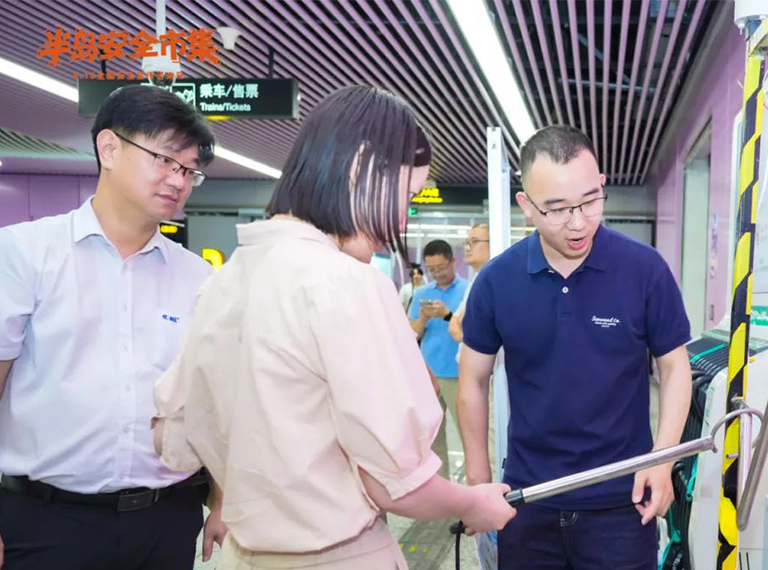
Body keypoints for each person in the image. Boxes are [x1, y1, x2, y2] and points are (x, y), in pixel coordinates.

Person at [151, 85, 515, 570]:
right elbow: (394, 482)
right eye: (405, 196)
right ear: (362, 167)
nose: (400, 219)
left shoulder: (226, 280)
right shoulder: (347, 283)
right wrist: (474, 502)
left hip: (243, 555)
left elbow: (172, 439)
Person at [0, 85, 222, 570]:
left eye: (189, 170)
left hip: (168, 520)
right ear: (109, 148)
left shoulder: (198, 278)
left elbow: (209, 401)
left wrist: (222, 497)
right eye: (165, 159)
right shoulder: (24, 253)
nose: (178, 180)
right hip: (48, 523)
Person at [457, 125, 692, 569]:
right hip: (529, 502)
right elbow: (472, 379)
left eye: (590, 201)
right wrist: (478, 480)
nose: (579, 222)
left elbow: (675, 367)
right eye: (558, 209)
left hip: (622, 503)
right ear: (527, 205)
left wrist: (662, 461)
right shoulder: (496, 281)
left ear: (602, 184)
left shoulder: (644, 269)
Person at [409, 240, 468, 419]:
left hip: (459, 372)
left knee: (464, 426)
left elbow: (473, 330)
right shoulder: (421, 293)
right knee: (431, 430)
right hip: (428, 372)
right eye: (431, 269)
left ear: (453, 261)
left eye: (441, 268)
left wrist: (447, 314)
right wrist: (423, 318)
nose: (437, 274)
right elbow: (411, 335)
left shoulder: (468, 290)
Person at [448, 223, 490, 345]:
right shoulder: (476, 280)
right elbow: (454, 325)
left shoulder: (498, 282)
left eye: (474, 241)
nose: (467, 248)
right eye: (466, 242)